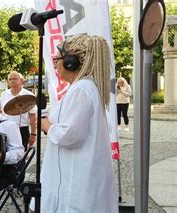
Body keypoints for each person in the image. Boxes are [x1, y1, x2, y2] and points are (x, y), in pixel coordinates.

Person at [40, 34, 118, 212]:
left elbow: (70, 135)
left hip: (76, 183)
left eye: (56, 59)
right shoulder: (83, 88)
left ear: (70, 62)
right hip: (78, 178)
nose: (55, 64)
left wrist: (46, 126)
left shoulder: (82, 89)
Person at [0, 71, 37, 149]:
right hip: (6, 129)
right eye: (10, 79)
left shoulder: (29, 95)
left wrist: (33, 134)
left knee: (21, 155)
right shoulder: (4, 95)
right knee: (6, 154)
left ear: (21, 81)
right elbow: (1, 113)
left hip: (22, 129)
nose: (12, 81)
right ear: (8, 82)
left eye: (15, 79)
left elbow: (33, 116)